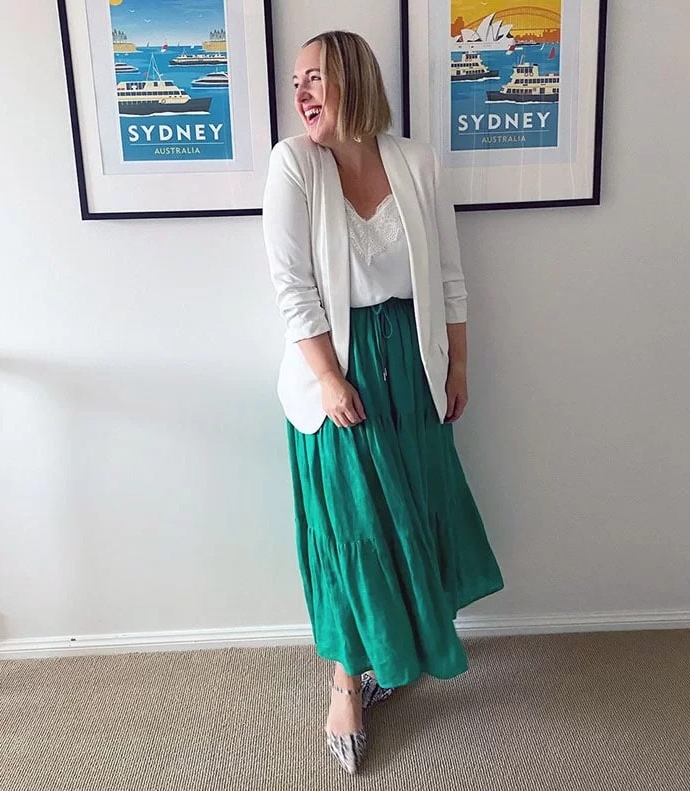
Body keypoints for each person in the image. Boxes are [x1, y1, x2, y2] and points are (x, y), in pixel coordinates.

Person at [262, 30, 504, 774]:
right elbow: (291, 287)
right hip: (336, 368)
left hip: (415, 364)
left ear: (354, 79)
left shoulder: (416, 163)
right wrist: (330, 379)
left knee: (411, 513)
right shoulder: (294, 165)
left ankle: (393, 655)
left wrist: (459, 363)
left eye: (315, 78)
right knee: (354, 524)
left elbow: (451, 274)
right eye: (297, 82)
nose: (301, 93)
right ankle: (346, 681)